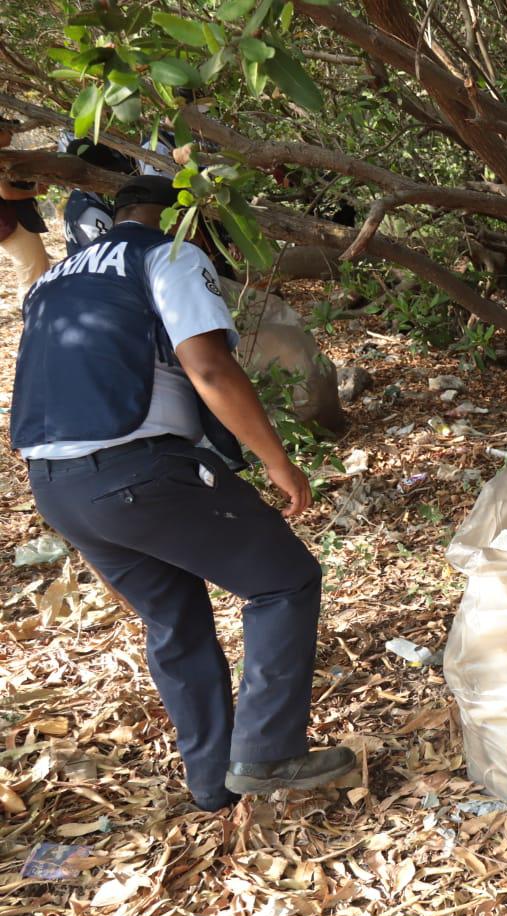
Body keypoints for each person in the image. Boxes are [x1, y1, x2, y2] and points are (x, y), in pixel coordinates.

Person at [9, 175, 354, 810]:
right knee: (285, 581)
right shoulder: (168, 254)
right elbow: (209, 366)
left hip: (56, 484)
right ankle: (270, 751)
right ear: (179, 215)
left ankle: (210, 783)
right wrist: (276, 460)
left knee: (174, 617)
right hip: (139, 470)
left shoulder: (54, 280)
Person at [0, 118, 52, 308]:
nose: (12, 134)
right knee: (33, 275)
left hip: (16, 222)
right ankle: (34, 320)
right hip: (13, 224)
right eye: (8, 131)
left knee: (37, 270)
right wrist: (34, 191)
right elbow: (6, 192)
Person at [62, 137, 136, 255]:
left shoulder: (79, 199)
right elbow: (114, 252)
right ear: (94, 173)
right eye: (110, 171)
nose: (116, 175)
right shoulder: (90, 211)